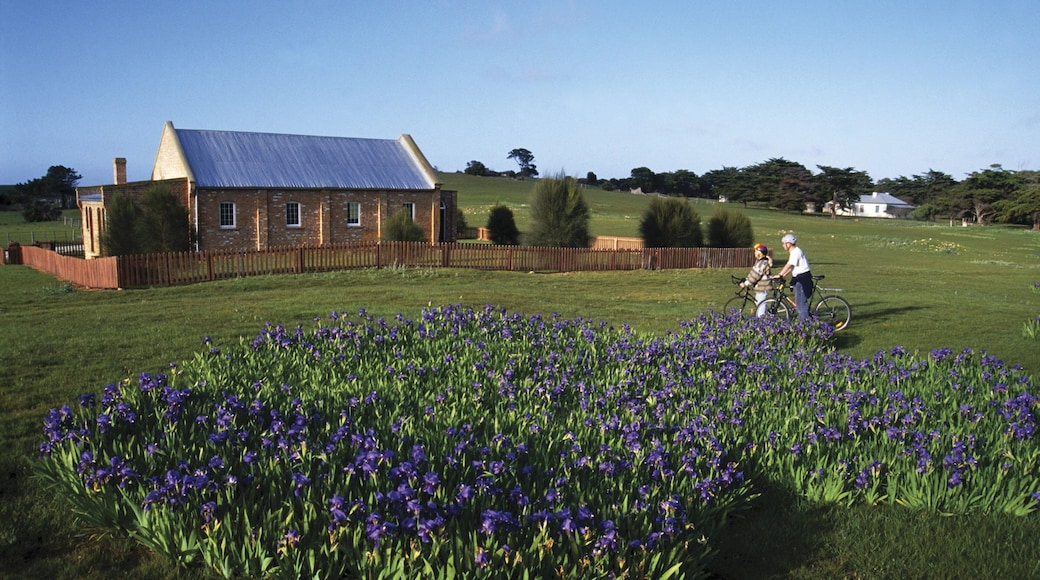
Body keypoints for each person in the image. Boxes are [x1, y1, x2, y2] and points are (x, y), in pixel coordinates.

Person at [775, 233, 812, 320]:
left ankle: (804, 326)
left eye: (784, 243)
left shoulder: (796, 252)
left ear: (789, 244)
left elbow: (789, 265)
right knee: (799, 304)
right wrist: (782, 276)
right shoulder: (794, 252)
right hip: (798, 279)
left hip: (803, 279)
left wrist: (780, 274)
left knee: (800, 305)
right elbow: (791, 267)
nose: (783, 245)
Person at [739, 243, 773, 316]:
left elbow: (755, 276)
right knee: (760, 303)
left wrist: (745, 284)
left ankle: (761, 321)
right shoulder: (760, 262)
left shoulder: (762, 263)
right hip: (759, 287)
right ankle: (768, 317)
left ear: (760, 253)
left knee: (761, 305)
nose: (754, 253)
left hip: (763, 287)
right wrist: (746, 279)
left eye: (756, 251)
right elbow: (753, 273)